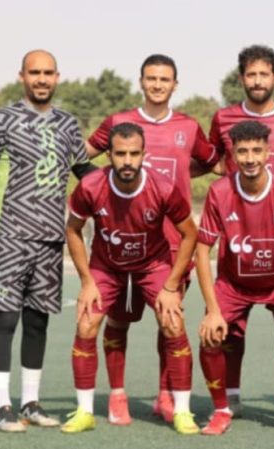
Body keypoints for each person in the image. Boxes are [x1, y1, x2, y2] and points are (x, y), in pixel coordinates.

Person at [0, 50, 95, 432]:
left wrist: (125, 178)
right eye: (34, 72)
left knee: (38, 323)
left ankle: (30, 403)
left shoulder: (67, 124)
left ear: (57, 77)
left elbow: (85, 172)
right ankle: (1, 406)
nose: (41, 79)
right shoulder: (0, 119)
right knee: (5, 319)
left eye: (48, 72)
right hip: (8, 237)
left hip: (51, 239)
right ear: (22, 76)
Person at [85, 54, 217, 425]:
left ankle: (165, 395)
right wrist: (95, 183)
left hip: (170, 245)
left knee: (168, 320)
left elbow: (210, 161)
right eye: (151, 78)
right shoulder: (118, 123)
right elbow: (82, 154)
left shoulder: (188, 126)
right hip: (122, 242)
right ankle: (117, 395)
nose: (157, 85)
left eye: (164, 79)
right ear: (141, 81)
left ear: (175, 84)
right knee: (117, 321)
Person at [62, 122, 199, 435]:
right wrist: (87, 282)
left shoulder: (163, 187)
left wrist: (170, 286)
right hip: (106, 266)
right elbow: (73, 230)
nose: (127, 161)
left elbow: (190, 234)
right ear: (109, 155)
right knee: (86, 323)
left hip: (153, 265)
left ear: (144, 154)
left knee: (173, 323)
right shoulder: (90, 186)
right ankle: (85, 411)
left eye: (134, 154)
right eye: (120, 154)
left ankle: (182, 411)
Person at [207, 45, 274, 417]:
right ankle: (231, 397)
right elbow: (213, 161)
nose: (257, 81)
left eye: (263, 74)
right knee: (231, 329)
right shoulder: (223, 118)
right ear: (242, 78)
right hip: (239, 235)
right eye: (251, 75)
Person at [195, 121, 274, 437]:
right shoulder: (219, 191)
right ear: (232, 155)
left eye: (256, 150)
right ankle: (222, 409)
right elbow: (202, 250)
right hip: (234, 284)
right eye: (242, 152)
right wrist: (212, 310)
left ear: (268, 153)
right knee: (210, 335)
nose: (250, 158)